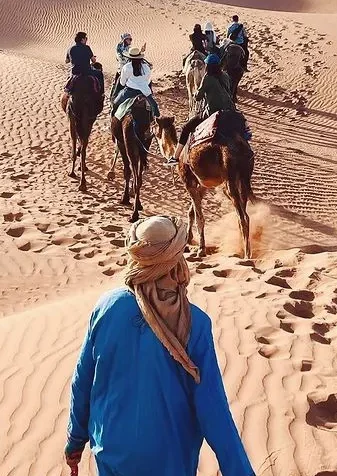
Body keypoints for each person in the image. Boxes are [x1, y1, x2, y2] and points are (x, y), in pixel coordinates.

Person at [65, 215, 255, 476]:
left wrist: (75, 441)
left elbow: (82, 380)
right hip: (169, 460)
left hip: (111, 452)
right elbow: (213, 410)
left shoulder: (107, 307)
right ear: (175, 261)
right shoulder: (193, 323)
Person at [166, 53, 235, 166]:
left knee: (186, 128)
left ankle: (175, 157)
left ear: (207, 65)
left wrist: (196, 93)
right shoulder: (225, 75)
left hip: (213, 112)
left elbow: (198, 97)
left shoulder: (207, 78)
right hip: (230, 110)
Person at [62, 31, 105, 112]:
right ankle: (101, 93)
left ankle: (67, 91)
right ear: (82, 39)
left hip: (75, 72)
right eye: (86, 38)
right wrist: (92, 58)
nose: (86, 40)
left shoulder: (70, 49)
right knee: (100, 74)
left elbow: (67, 61)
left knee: (69, 78)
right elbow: (93, 61)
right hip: (87, 72)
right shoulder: (87, 48)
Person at [112, 47, 160, 117]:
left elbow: (122, 83)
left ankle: (113, 119)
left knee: (115, 103)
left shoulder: (126, 67)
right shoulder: (146, 67)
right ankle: (155, 120)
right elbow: (148, 81)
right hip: (145, 92)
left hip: (129, 92)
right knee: (155, 107)